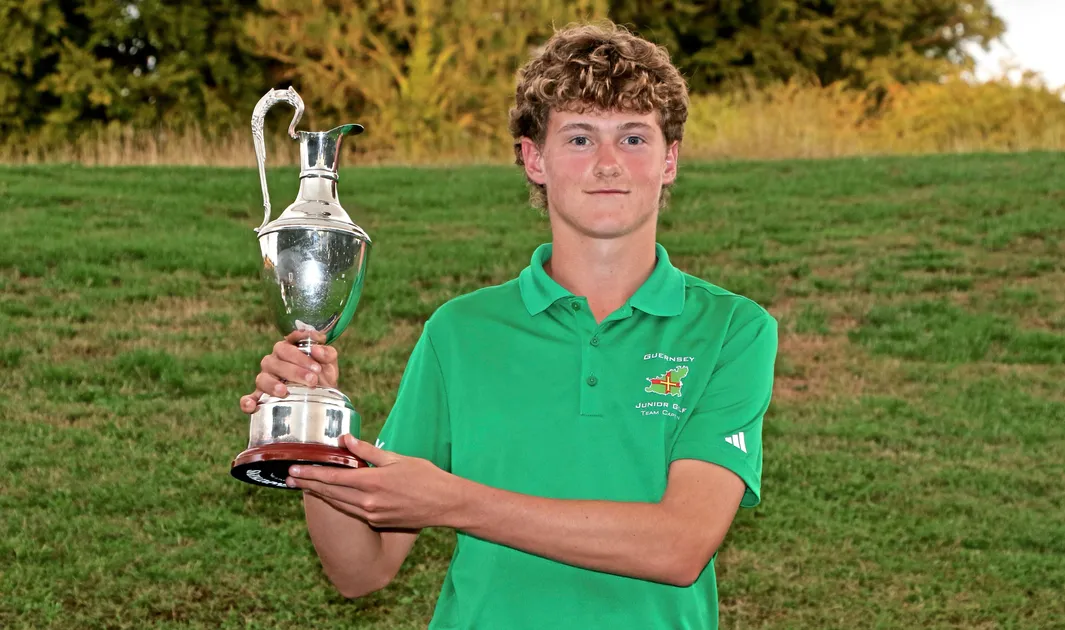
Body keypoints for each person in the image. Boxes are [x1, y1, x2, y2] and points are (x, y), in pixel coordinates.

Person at [240, 20, 778, 630]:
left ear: (670, 159)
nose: (607, 164)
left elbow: (679, 546)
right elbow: (362, 569)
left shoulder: (734, 329)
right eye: (579, 139)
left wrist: (456, 502)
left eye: (633, 138)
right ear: (534, 159)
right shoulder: (460, 333)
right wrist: (313, 438)